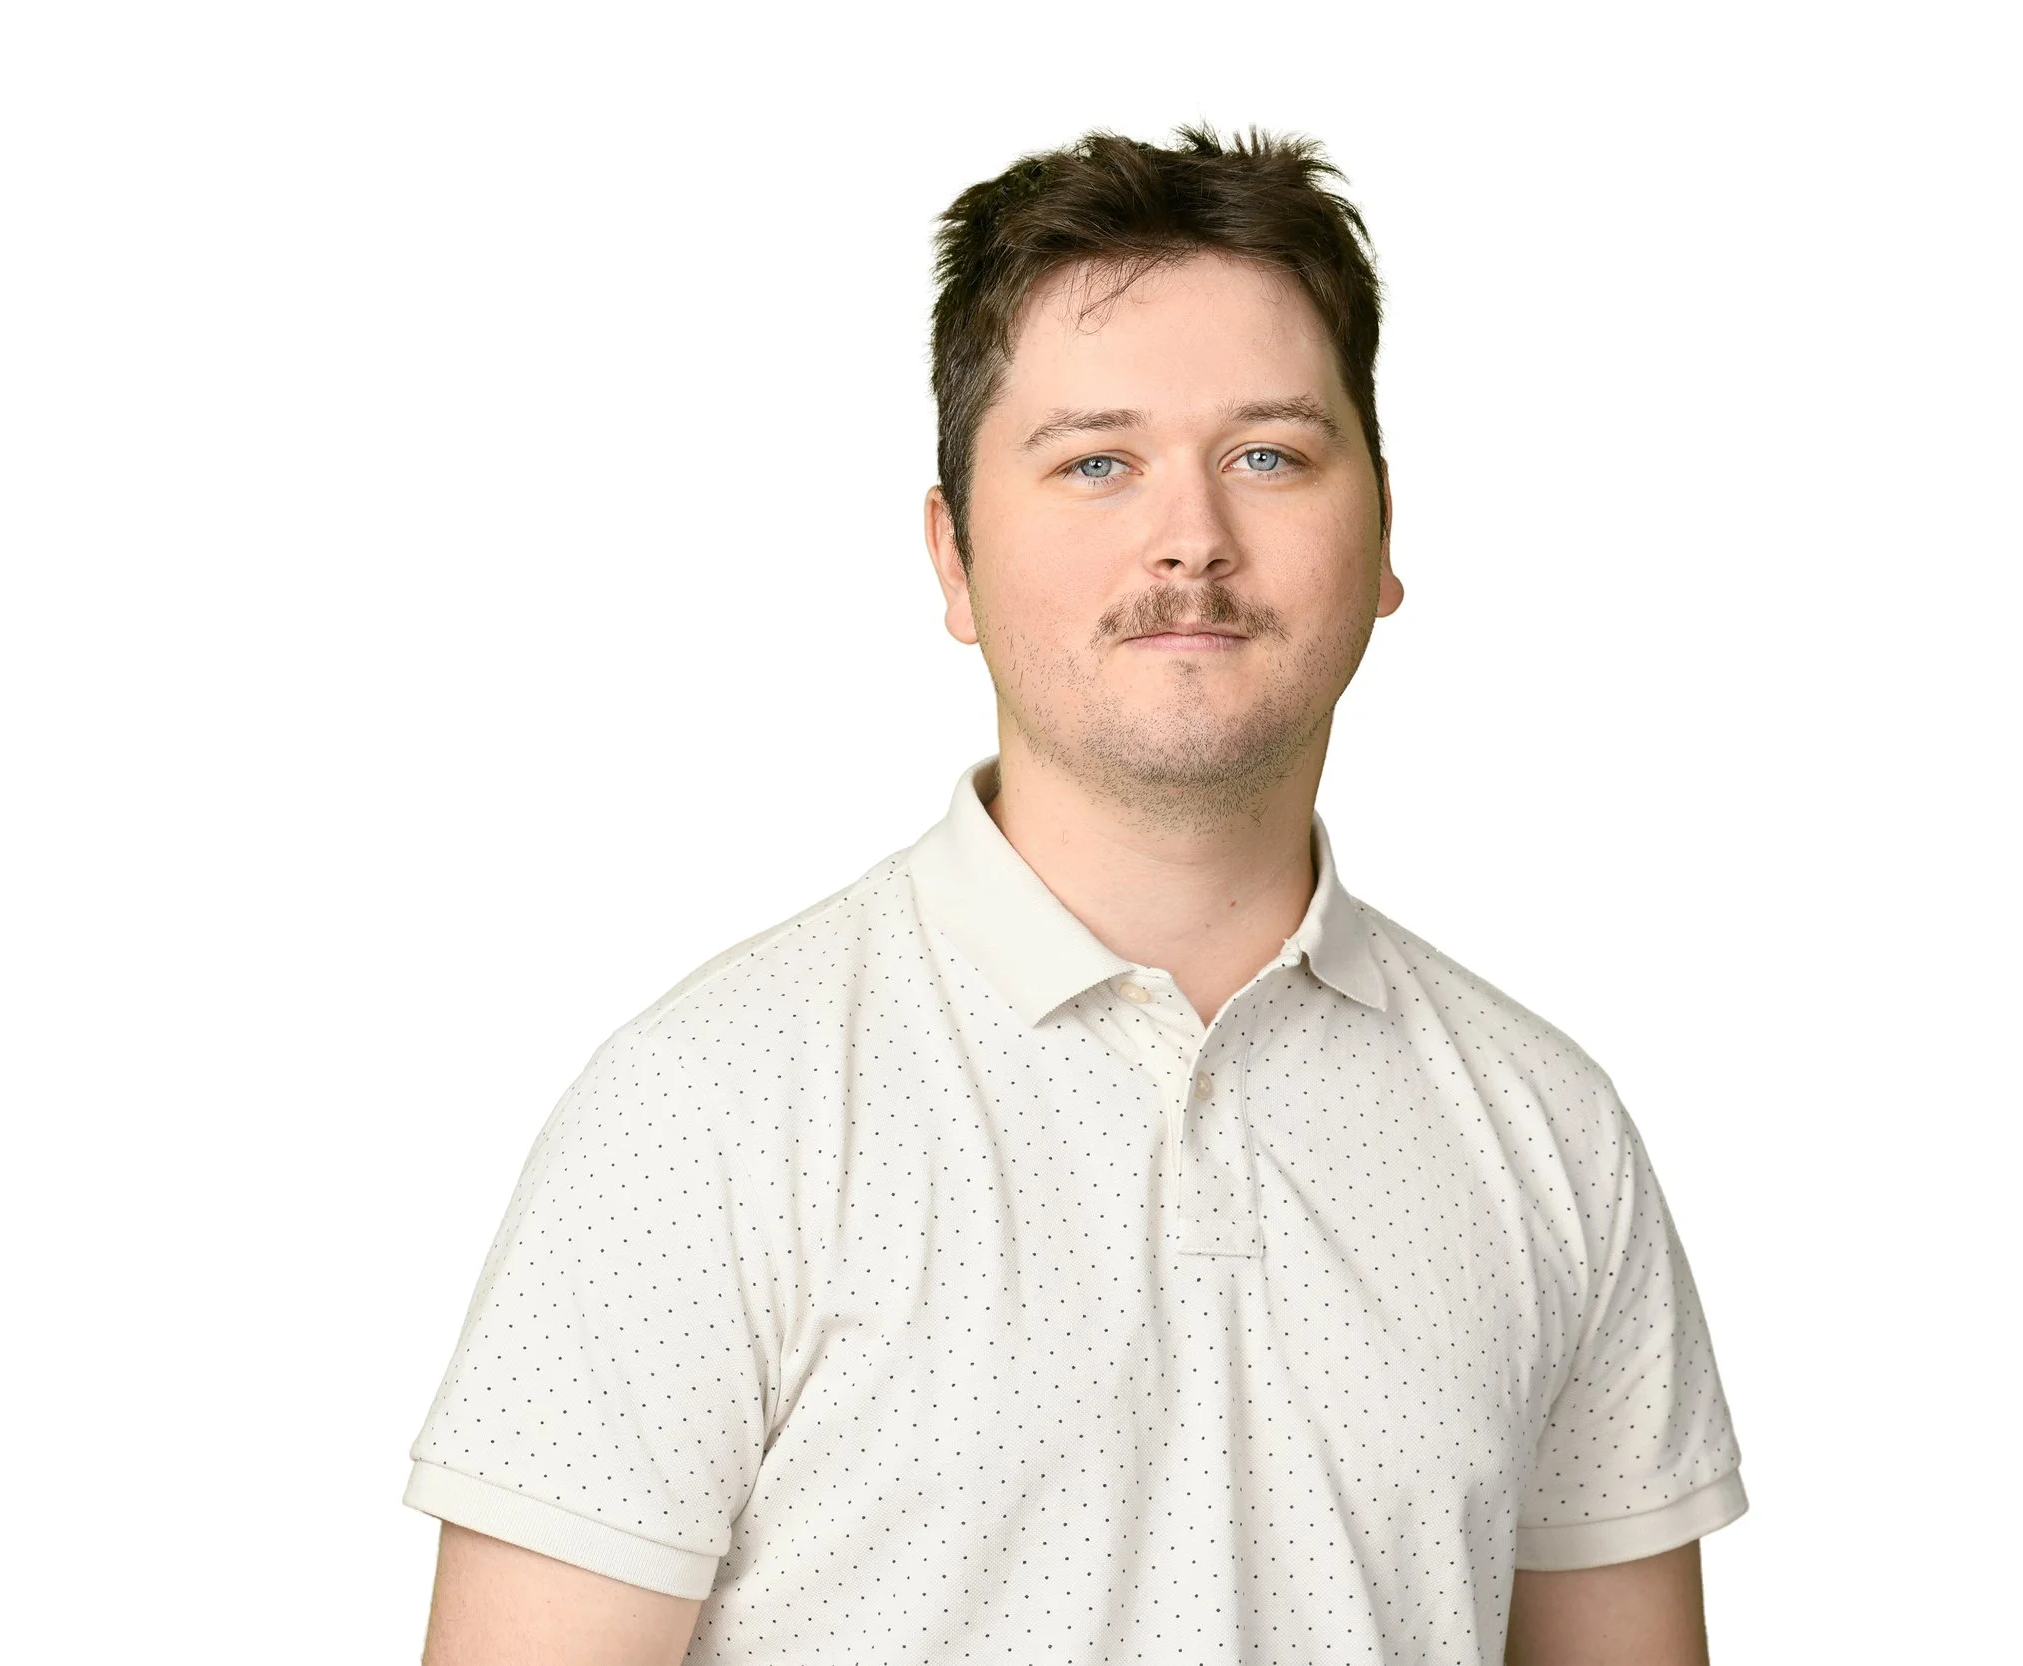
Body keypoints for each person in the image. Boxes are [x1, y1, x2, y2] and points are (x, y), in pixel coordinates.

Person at [405, 125, 1748, 1666]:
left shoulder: (1550, 1135)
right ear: (953, 560)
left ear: (1383, 529)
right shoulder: (706, 1112)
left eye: (1270, 454)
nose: (1190, 537)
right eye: (1096, 462)